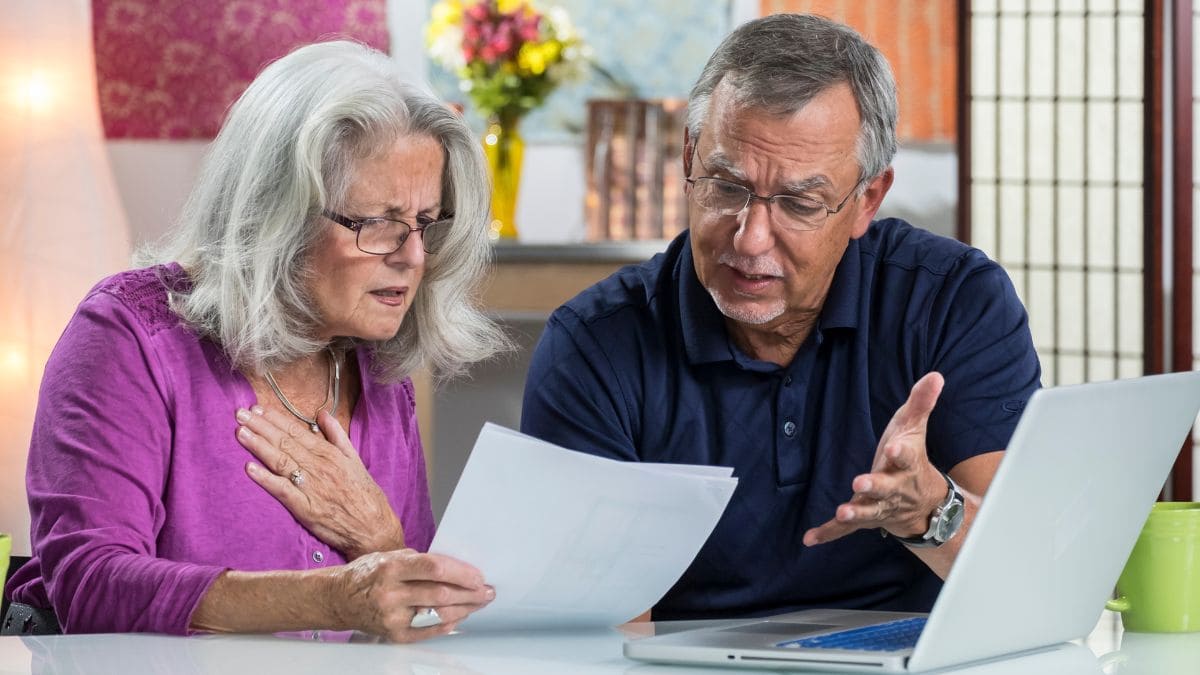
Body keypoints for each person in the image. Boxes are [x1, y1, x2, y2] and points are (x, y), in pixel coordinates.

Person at [521, 14, 1041, 620]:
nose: (750, 238)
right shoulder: (591, 347)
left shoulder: (954, 301)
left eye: (799, 202)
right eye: (726, 185)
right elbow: (602, 633)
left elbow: (1027, 575)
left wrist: (930, 511)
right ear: (690, 159)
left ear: (866, 200)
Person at [2, 40, 508, 640]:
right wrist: (332, 598)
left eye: (424, 224)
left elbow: (407, 617)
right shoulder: (126, 336)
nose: (414, 257)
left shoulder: (376, 368)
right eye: (378, 222)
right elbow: (90, 586)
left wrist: (382, 540)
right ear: (277, 213)